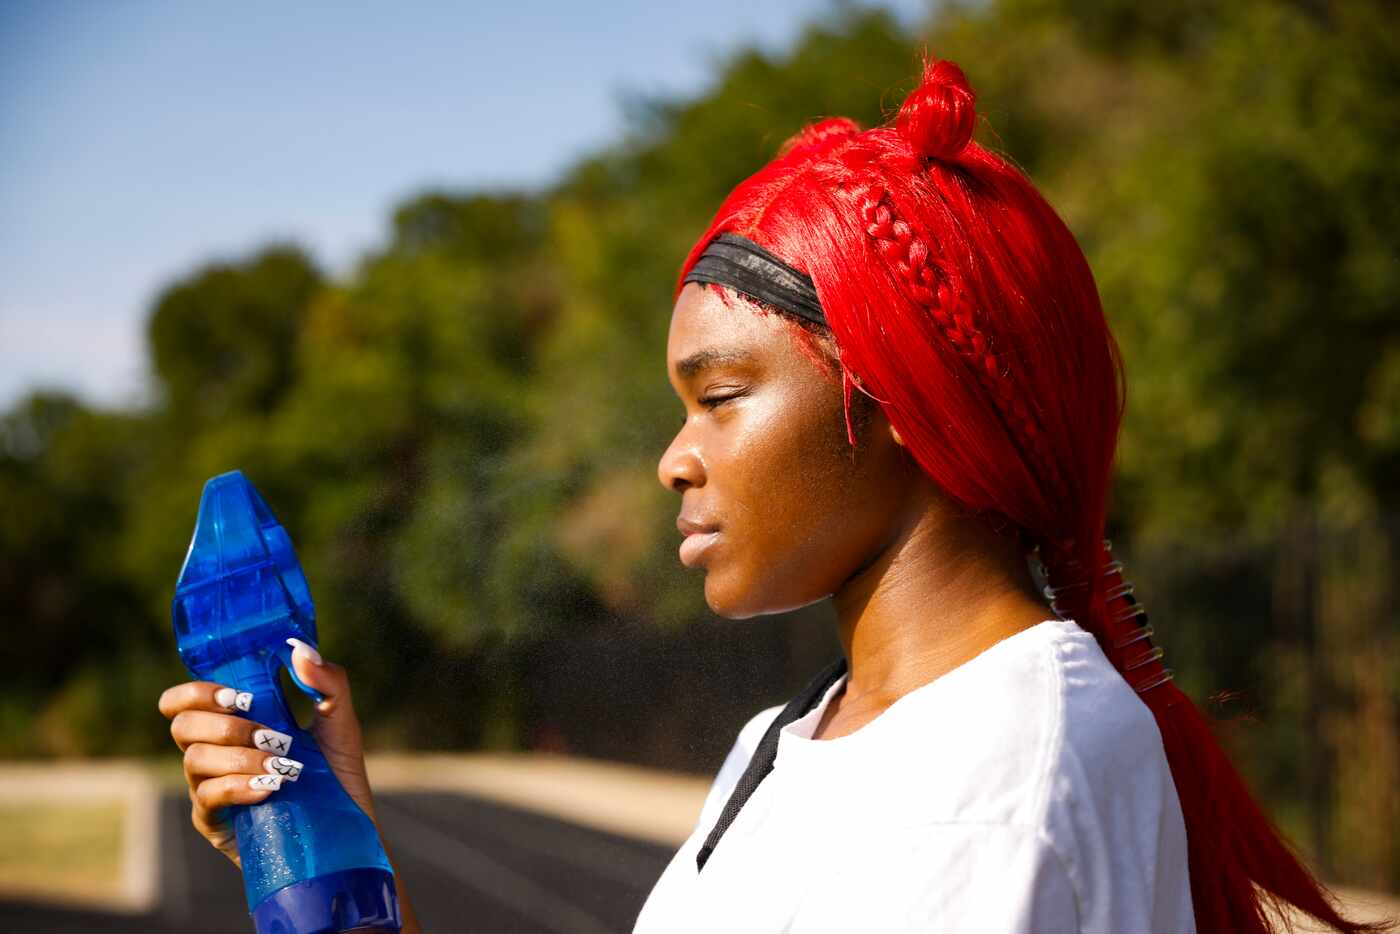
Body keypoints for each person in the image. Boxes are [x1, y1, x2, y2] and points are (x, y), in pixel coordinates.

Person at [157, 53, 1392, 934]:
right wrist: (343, 831)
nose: (672, 457)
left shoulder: (993, 787)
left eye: (720, 394)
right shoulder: (793, 736)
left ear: (905, 398)